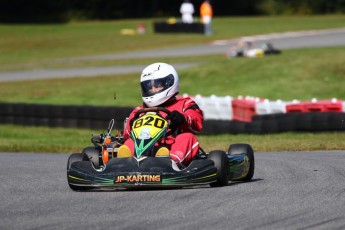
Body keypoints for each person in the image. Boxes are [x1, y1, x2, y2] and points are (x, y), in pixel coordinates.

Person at [118, 62, 204, 166]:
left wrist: (183, 119)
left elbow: (197, 123)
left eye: (157, 85)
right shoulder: (139, 111)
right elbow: (126, 135)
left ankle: (169, 162)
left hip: (171, 147)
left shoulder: (184, 103)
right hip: (143, 148)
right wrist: (130, 124)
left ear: (169, 83)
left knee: (188, 137)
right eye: (149, 86)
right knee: (130, 143)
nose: (152, 89)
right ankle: (125, 162)